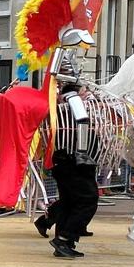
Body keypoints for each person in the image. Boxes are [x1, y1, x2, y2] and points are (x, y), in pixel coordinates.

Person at [34, 83, 100, 258]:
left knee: (68, 202)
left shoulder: (60, 113)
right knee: (88, 200)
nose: (87, 96)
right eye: (84, 93)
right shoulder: (74, 109)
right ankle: (64, 239)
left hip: (66, 162)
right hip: (74, 163)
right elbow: (83, 122)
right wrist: (83, 155)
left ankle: (64, 243)